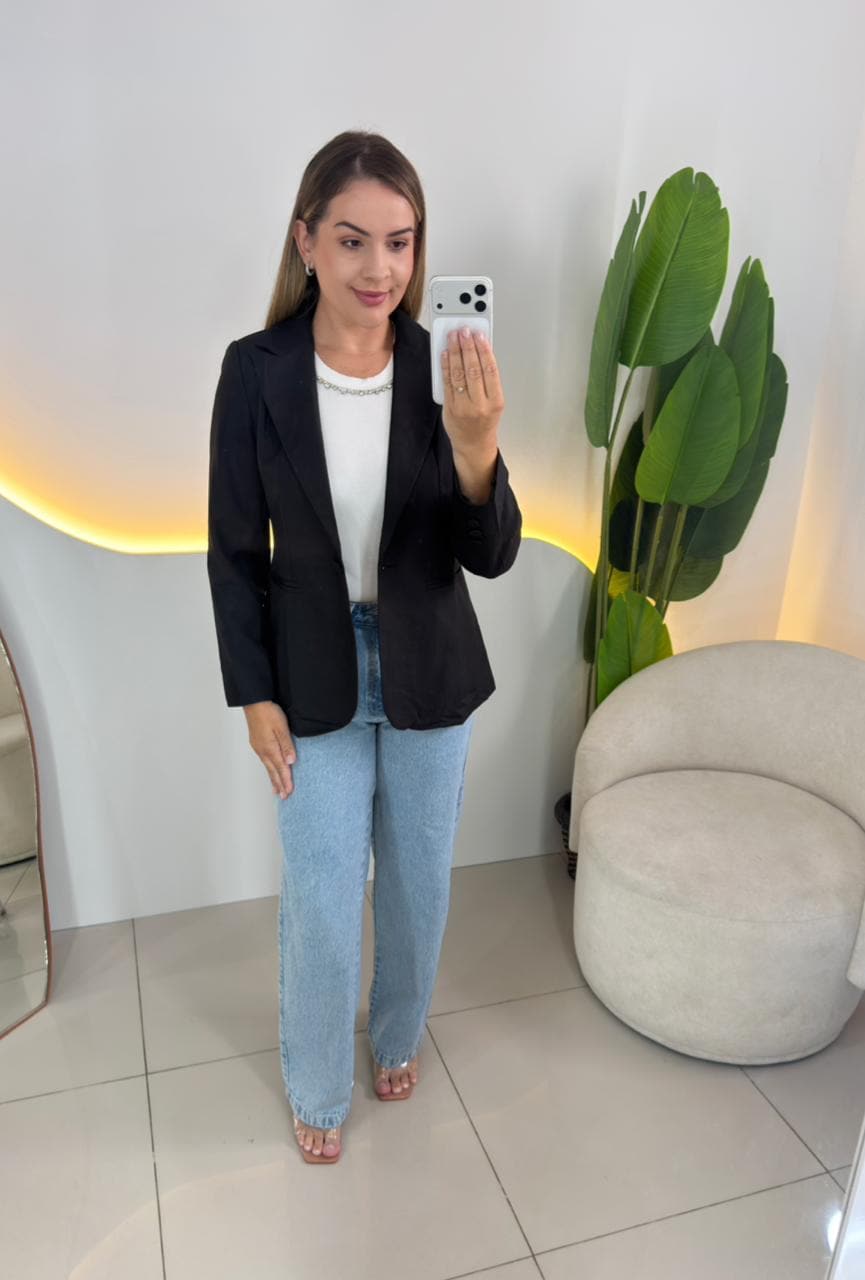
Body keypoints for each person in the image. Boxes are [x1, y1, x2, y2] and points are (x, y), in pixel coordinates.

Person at [206, 130, 522, 1164]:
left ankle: (395, 1035)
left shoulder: (444, 368)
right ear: (306, 241)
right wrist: (252, 693)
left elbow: (490, 554)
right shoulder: (255, 372)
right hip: (310, 672)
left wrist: (477, 451)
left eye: (399, 240)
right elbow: (231, 550)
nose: (379, 268)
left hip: (430, 666)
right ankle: (315, 1079)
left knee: (420, 887)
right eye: (351, 240)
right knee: (323, 898)